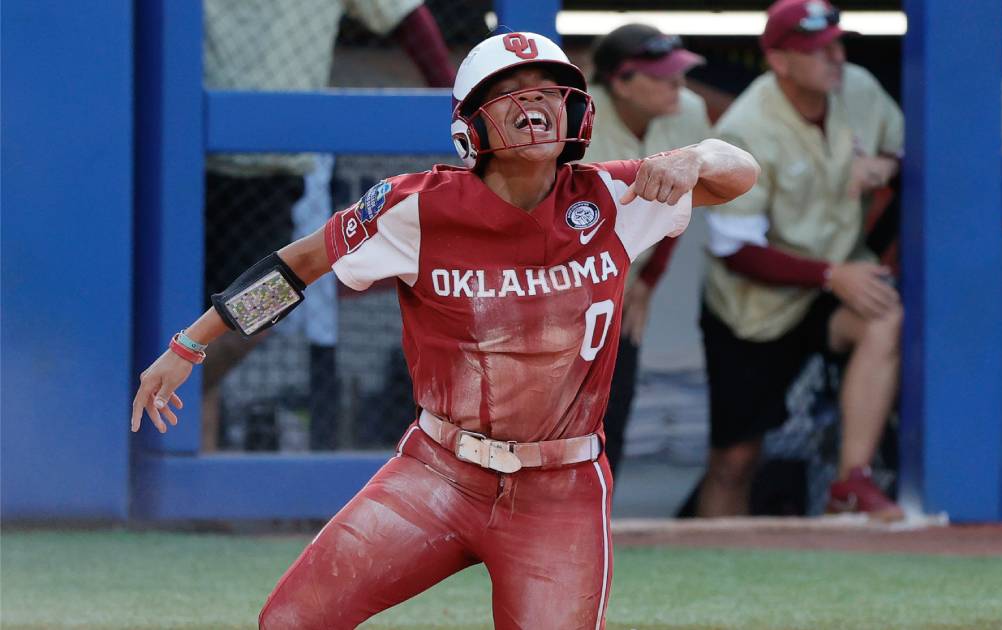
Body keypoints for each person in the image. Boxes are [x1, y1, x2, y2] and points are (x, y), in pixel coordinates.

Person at [131, 31, 758, 629]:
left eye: (550, 88)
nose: (536, 103)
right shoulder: (415, 206)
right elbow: (299, 267)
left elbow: (741, 171)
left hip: (559, 488)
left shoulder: (614, 195)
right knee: (294, 619)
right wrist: (190, 344)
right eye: (512, 90)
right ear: (471, 124)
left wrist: (696, 154)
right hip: (438, 471)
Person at [202, 0, 456, 451]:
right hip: (183, 162)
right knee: (178, 315)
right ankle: (181, 490)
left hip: (272, 175)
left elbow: (406, 15)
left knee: (260, 307)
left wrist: (455, 102)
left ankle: (176, 380)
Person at [695, 0, 905, 521]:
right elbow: (735, 248)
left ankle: (850, 482)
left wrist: (889, 163)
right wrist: (831, 275)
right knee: (735, 460)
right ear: (780, 61)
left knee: (883, 316)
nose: (836, 56)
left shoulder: (859, 88)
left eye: (837, 42)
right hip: (753, 308)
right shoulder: (745, 126)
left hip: (834, 281)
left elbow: (915, 151)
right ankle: (714, 573)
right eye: (818, 49)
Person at [586, 23, 712, 482]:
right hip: (559, 279)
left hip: (626, 285)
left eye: (678, 73)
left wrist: (648, 282)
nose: (677, 84)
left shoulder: (688, 110)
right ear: (620, 81)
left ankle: (599, 528)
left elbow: (684, 198)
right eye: (661, 76)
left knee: (611, 415)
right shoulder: (580, 120)